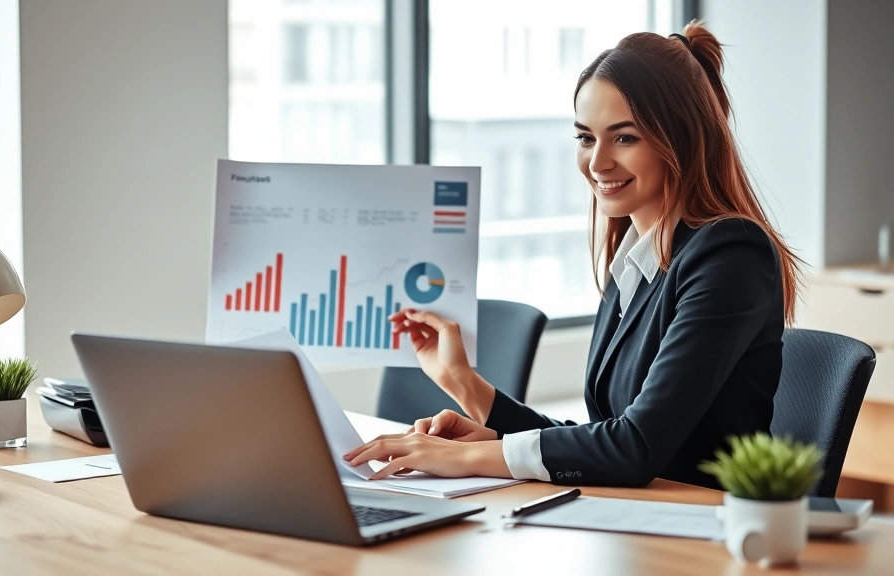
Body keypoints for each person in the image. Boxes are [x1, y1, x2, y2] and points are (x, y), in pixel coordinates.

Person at [344, 21, 802, 490]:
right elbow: (602, 440)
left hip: (700, 533)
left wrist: (473, 458)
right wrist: (463, 382)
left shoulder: (730, 255)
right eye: (585, 138)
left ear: (680, 139)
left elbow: (635, 448)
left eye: (625, 137)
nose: (598, 162)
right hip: (632, 521)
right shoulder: (631, 266)